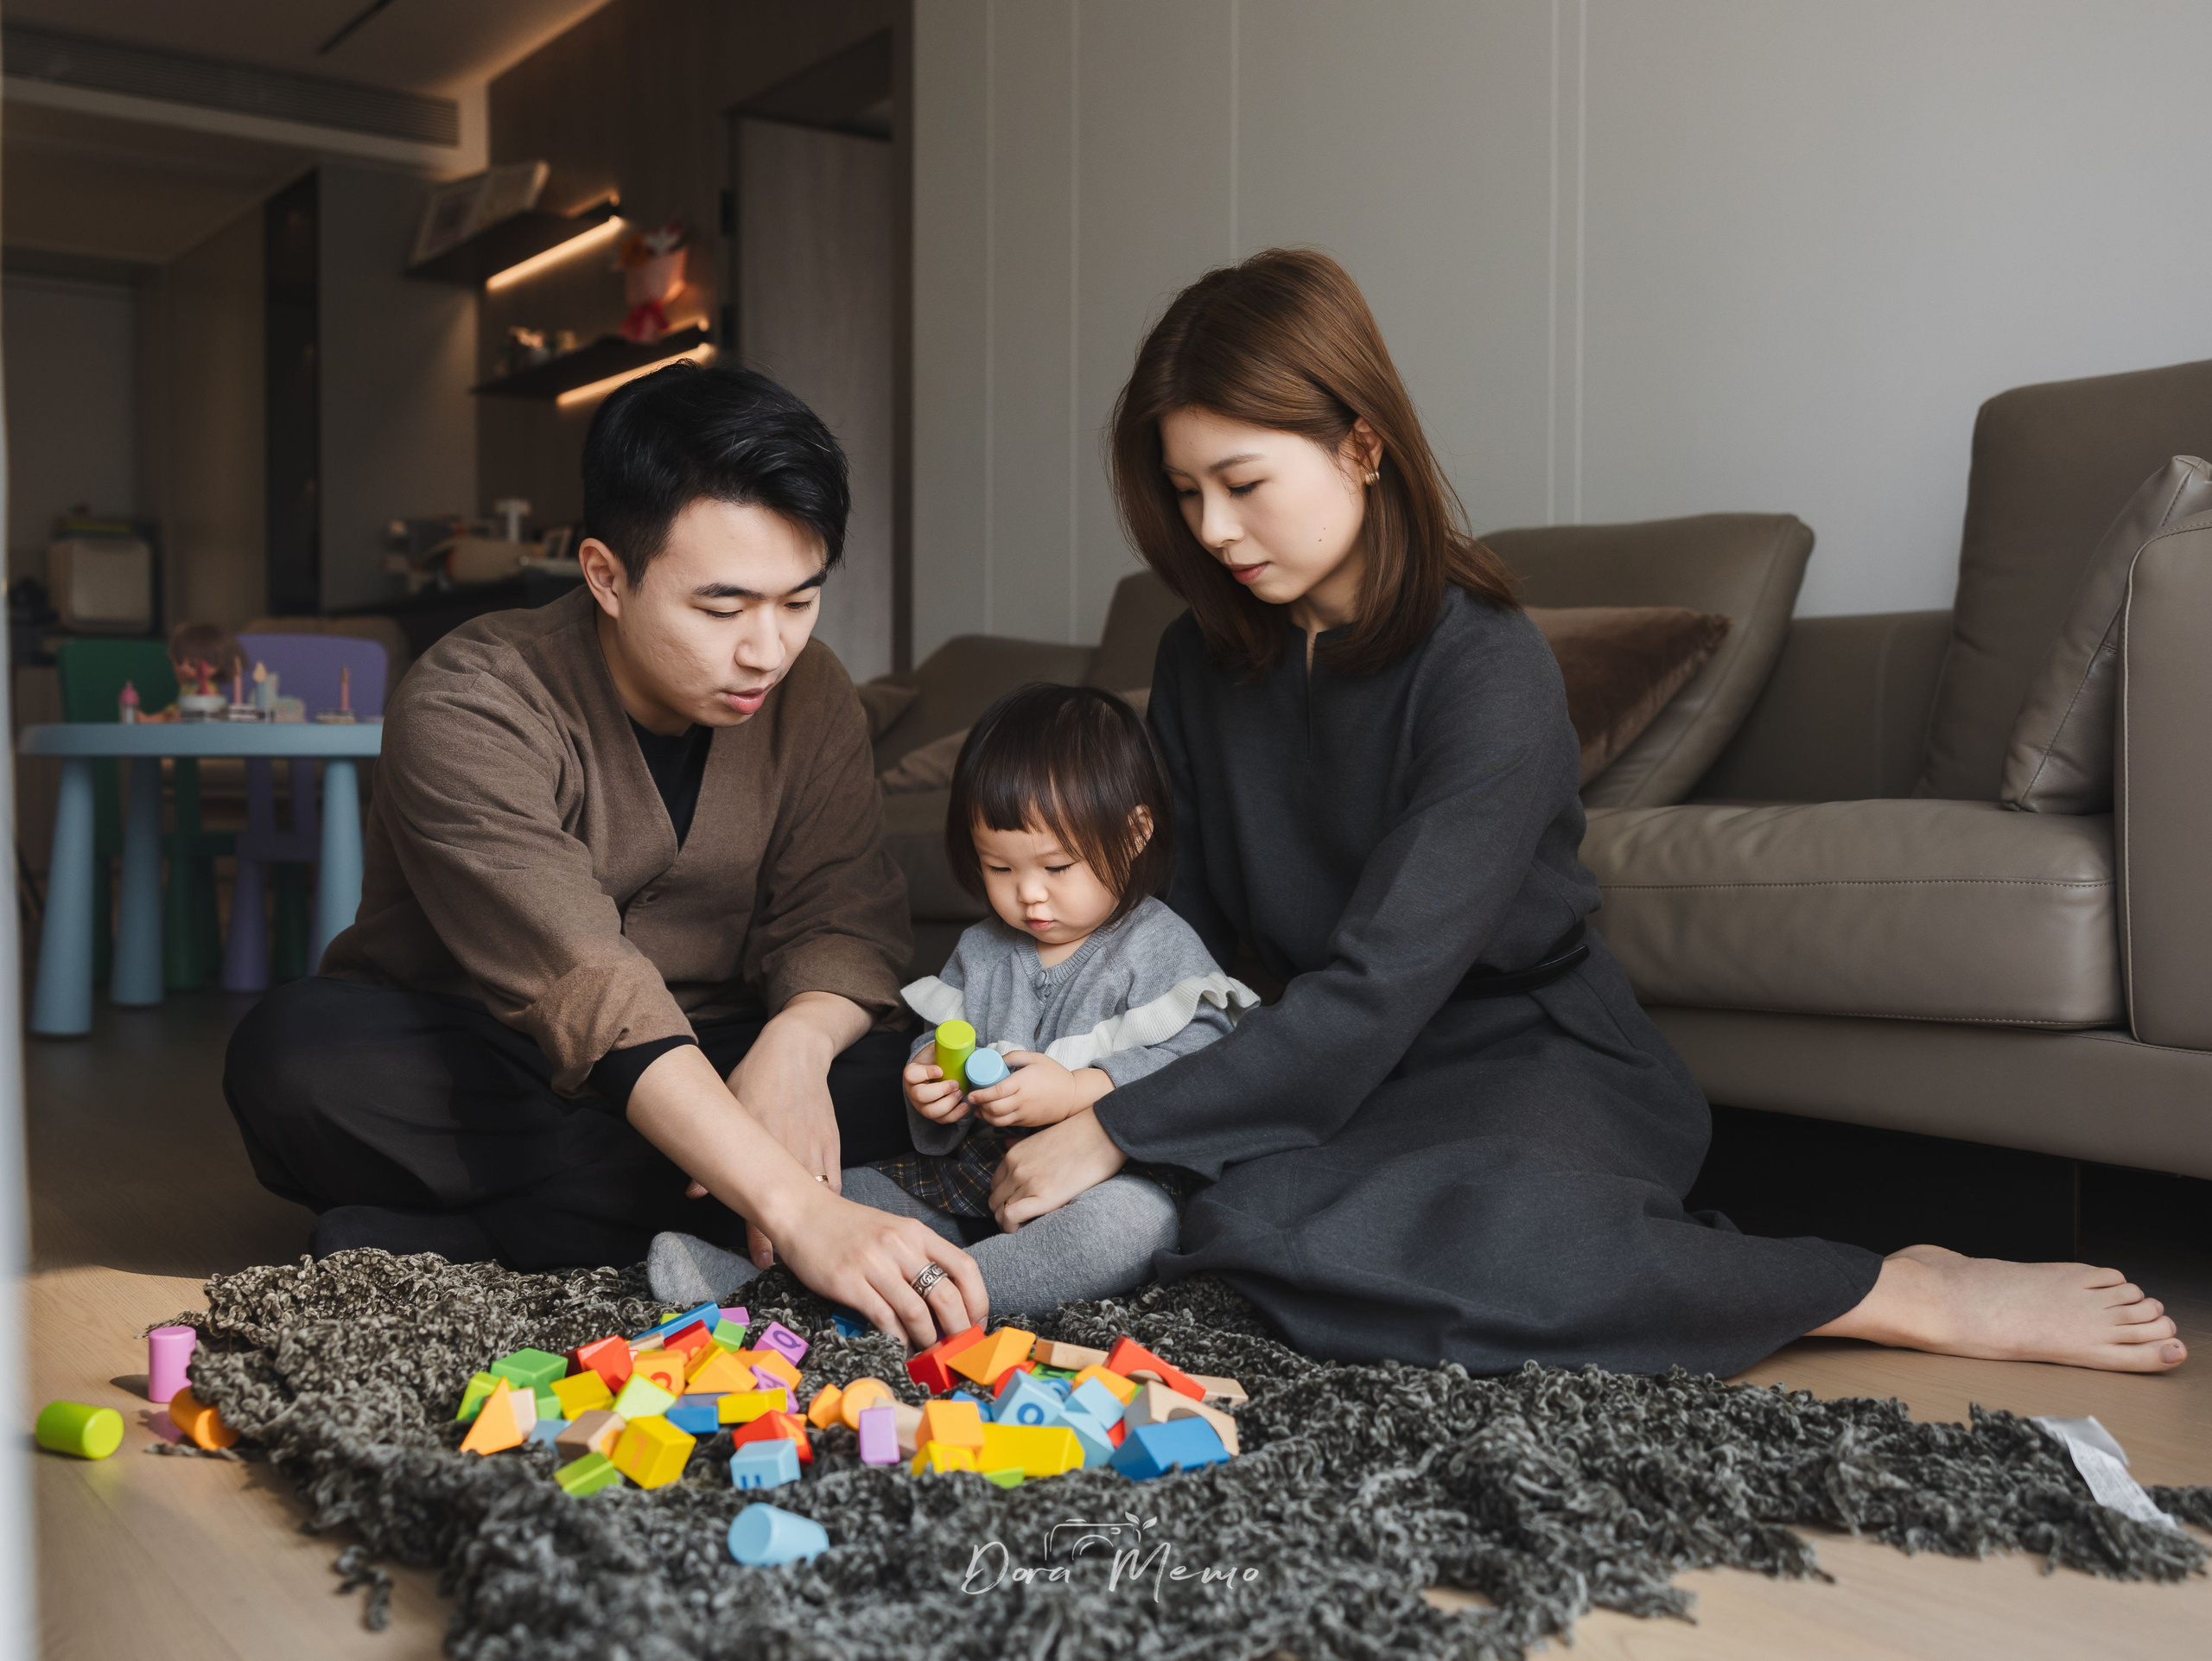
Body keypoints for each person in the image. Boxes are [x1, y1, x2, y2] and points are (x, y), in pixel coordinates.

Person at [978, 247, 2187, 1377]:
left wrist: (1125, 1126)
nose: (1212, 530)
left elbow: (1387, 978)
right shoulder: (1200, 662)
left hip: (1520, 1047)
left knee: (1469, 1250)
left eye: (1243, 484)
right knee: (1252, 1241)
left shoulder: (1485, 661)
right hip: (1330, 1059)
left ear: (1361, 445)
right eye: (1186, 492)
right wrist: (1087, 1064)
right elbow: (1184, 936)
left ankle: (1887, 1288)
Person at [223, 364, 984, 1345]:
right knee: (296, 1062)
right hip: (491, 1051)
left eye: (799, 601)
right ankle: (720, 1204)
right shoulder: (471, 698)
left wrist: (795, 1048)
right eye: (723, 609)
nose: (768, 650)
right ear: (605, 576)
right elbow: (581, 975)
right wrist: (797, 1207)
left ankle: (487, 1235)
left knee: (936, 1085)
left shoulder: (813, 693)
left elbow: (843, 918)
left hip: (725, 1044)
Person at [648, 683, 1257, 1317]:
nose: (1029, 895)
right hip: (969, 1176)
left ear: (1133, 834)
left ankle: (938, 1296)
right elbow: (943, 1035)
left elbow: (1205, 1061)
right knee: (841, 1194)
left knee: (1129, 1228)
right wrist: (931, 1080)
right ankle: (750, 1279)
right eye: (1000, 869)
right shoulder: (983, 948)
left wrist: (1083, 1090)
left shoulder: (1158, 945)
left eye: (1057, 868)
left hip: (1103, 1180)